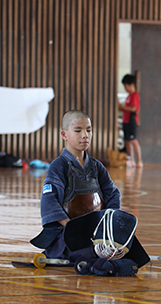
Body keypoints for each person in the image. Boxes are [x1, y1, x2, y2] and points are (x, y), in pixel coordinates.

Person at [31, 110, 122, 261]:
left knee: (125, 248)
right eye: (78, 130)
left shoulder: (96, 166)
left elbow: (113, 194)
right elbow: (50, 201)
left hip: (96, 234)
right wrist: (72, 227)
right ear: (64, 135)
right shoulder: (58, 166)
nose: (85, 135)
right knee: (87, 255)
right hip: (68, 233)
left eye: (89, 130)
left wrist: (106, 225)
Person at [118, 74, 143, 168]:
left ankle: (139, 161)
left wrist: (122, 107)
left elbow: (133, 108)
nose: (125, 88)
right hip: (126, 120)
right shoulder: (128, 96)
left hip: (131, 120)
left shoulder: (135, 95)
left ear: (132, 84)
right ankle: (131, 161)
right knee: (127, 141)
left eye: (126, 86)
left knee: (133, 140)